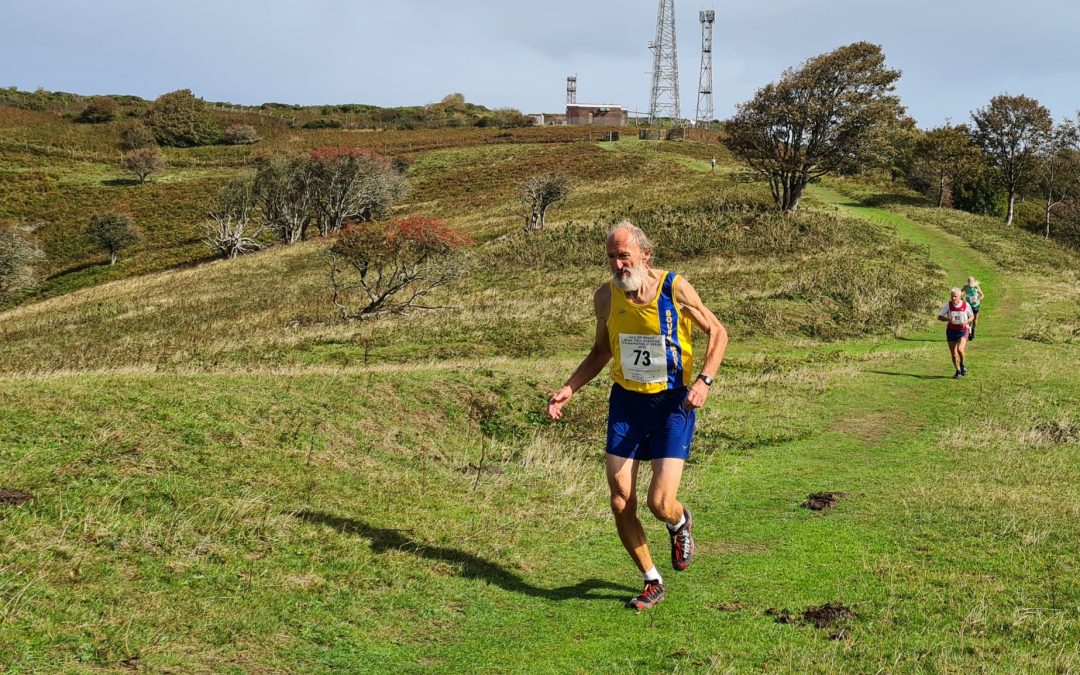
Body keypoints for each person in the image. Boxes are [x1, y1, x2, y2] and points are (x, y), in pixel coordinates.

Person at [547, 221, 729, 610]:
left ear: (646, 255)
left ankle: (679, 523)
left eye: (624, 256)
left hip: (672, 404)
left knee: (659, 502)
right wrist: (569, 388)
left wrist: (704, 382)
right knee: (619, 500)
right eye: (611, 257)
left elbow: (718, 332)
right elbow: (600, 352)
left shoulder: (674, 287)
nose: (617, 264)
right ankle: (652, 580)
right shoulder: (605, 297)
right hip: (627, 404)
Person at [938, 288, 974, 378]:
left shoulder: (966, 305)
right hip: (951, 331)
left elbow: (972, 316)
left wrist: (967, 321)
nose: (953, 298)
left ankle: (962, 364)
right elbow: (939, 317)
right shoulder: (948, 305)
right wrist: (948, 319)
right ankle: (957, 371)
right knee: (954, 354)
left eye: (955, 296)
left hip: (962, 330)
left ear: (960, 296)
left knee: (960, 350)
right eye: (952, 296)